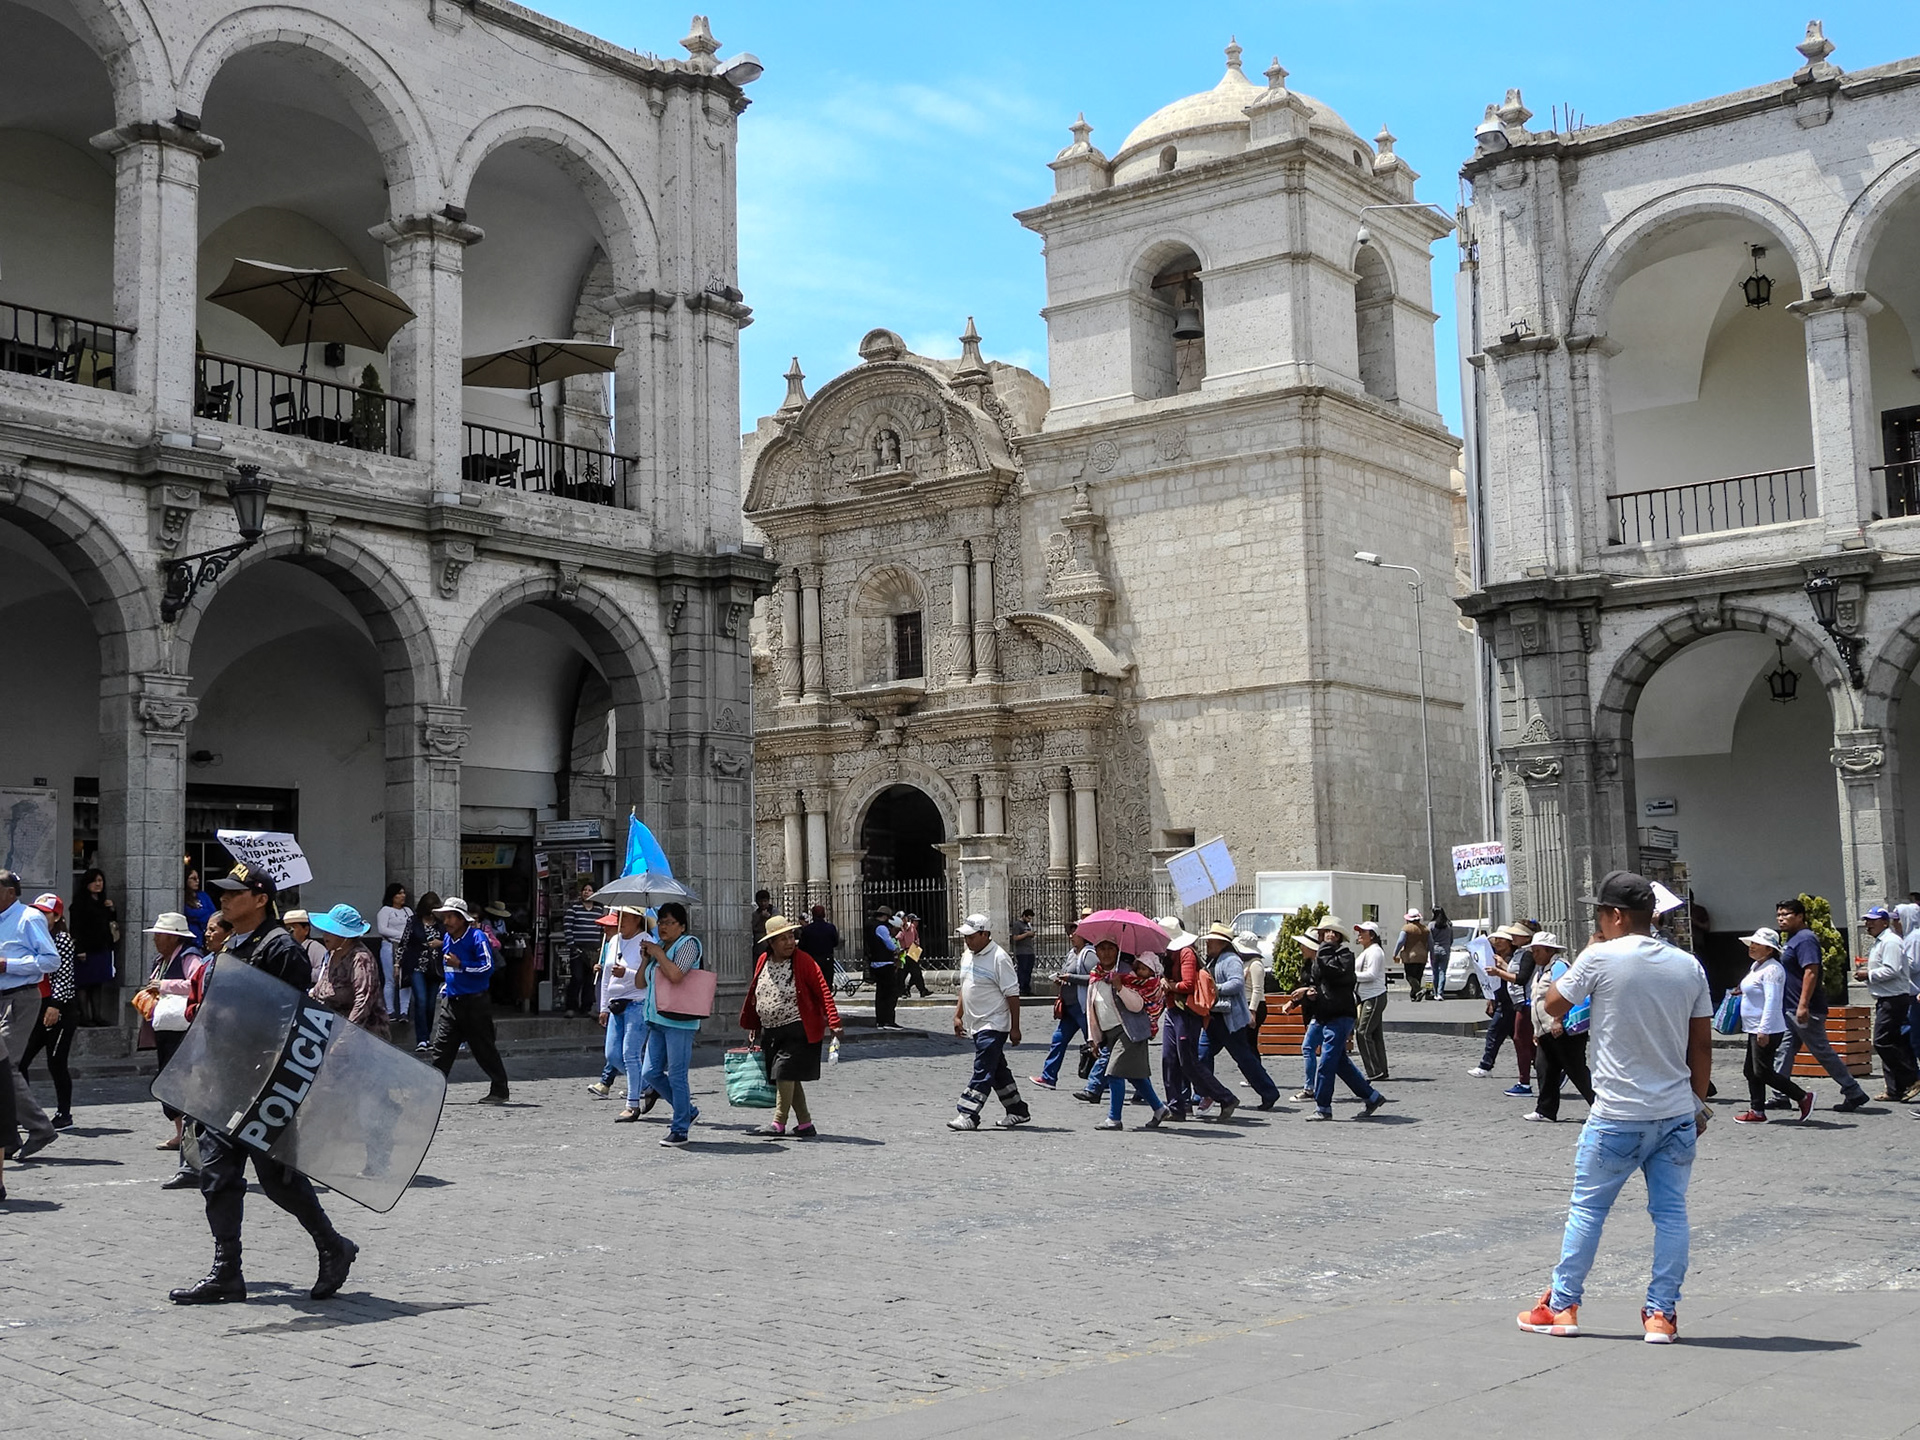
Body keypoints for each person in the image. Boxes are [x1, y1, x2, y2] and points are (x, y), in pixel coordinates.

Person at [1518, 871, 1712, 1344]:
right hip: (1673, 1111)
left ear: (1617, 916)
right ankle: (1661, 1315)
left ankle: (1562, 1306)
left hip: (1618, 1114)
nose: (1598, 921)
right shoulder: (1689, 965)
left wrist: (1588, 951)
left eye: (1600, 913)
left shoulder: (1599, 957)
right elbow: (1702, 1044)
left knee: (1587, 1210)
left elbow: (1553, 1004)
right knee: (1671, 1215)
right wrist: (1699, 1104)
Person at [170, 861, 357, 1305]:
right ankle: (227, 1273)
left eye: (234, 894)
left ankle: (333, 1245)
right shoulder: (235, 946)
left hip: (264, 1084)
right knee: (217, 1175)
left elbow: (295, 1023)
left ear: (259, 899)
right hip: (226, 1079)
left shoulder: (279, 949)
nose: (224, 900)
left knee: (278, 1180)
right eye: (223, 894)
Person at [740, 915, 843, 1137]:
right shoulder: (763, 961)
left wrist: (834, 1022)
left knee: (784, 1072)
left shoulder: (804, 961)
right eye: (782, 938)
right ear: (771, 943)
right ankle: (805, 1123)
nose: (789, 942)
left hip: (798, 1028)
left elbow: (823, 990)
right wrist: (755, 1025)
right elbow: (757, 991)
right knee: (789, 1076)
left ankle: (778, 1122)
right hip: (771, 1030)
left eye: (791, 937)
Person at [1773, 898, 1869, 1111]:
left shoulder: (1805, 939)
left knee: (1821, 1051)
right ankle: (1780, 1094)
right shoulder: (1792, 938)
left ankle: (1853, 1091)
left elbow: (1811, 971)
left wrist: (1803, 1004)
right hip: (1790, 1006)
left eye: (1786, 914)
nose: (1781, 919)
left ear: (1800, 916)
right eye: (1779, 915)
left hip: (1805, 1007)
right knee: (1785, 1049)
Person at [1290, 918, 1387, 1121]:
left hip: (1341, 1014)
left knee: (1327, 1062)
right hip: (1325, 1013)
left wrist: (1325, 948)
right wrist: (1309, 992)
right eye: (1325, 932)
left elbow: (1333, 973)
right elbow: (1320, 982)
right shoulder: (1321, 957)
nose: (1329, 935)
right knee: (1339, 1061)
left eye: (1333, 933)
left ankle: (1323, 1107)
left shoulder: (1344, 955)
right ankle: (1372, 1096)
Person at [140, 912, 206, 1183]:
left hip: (181, 1027)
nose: (155, 940)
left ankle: (189, 1142)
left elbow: (195, 982)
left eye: (159, 934)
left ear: (173, 937)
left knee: (178, 1081)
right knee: (166, 1079)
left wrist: (164, 985)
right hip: (165, 1027)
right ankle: (181, 1134)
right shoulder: (163, 959)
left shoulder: (189, 956)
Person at [947, 913, 1031, 1130]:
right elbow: (965, 987)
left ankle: (968, 1113)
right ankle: (1017, 1110)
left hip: (994, 1023)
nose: (967, 940)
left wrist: (1015, 1028)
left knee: (983, 1068)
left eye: (972, 936)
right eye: (965, 936)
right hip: (976, 1023)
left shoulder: (999, 958)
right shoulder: (968, 955)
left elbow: (1012, 994)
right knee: (997, 1069)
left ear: (985, 934)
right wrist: (958, 1015)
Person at [0, 869, 61, 1161]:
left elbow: (50, 960)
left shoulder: (29, 918)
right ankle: (8, 1137)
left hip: (20, 997)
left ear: (10, 892)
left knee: (4, 1066)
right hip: (2, 997)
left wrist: (8, 965)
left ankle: (39, 1127)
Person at [425, 898, 511, 1105]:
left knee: (483, 1048)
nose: (447, 921)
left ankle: (500, 1089)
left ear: (462, 919)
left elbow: (486, 967)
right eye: (445, 917)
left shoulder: (477, 937)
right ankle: (432, 1091)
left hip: (475, 1004)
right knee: (441, 1049)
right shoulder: (447, 938)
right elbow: (448, 969)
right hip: (452, 1002)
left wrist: (461, 964)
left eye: (451, 916)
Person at [1157, 916, 1241, 1122]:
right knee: (1169, 1059)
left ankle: (1225, 1097)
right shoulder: (1169, 954)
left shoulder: (1186, 953)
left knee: (1188, 1062)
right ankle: (1176, 1106)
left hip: (1186, 1012)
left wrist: (1169, 985)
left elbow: (1188, 985)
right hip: (1173, 1010)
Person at [638, 902, 704, 1146]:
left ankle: (680, 1128)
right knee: (650, 1072)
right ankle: (687, 1110)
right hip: (656, 1019)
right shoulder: (660, 948)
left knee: (677, 1074)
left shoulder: (689, 944)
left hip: (680, 1020)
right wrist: (646, 959)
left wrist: (657, 953)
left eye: (669, 922)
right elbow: (639, 984)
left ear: (682, 926)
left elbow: (676, 975)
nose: (663, 927)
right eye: (661, 922)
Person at [1730, 927, 1812, 1124]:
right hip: (1754, 1027)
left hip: (1766, 1028)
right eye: (1752, 943)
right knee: (1751, 1071)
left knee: (1762, 1071)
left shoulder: (1773, 969)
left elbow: (1772, 1001)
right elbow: (1756, 990)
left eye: (1758, 944)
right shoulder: (1757, 966)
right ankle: (1757, 1110)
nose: (1752, 947)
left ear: (1769, 949)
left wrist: (1764, 1029)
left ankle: (1802, 1096)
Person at [1085, 942, 1170, 1130]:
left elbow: (1137, 1005)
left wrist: (1120, 986)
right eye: (1101, 949)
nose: (1106, 953)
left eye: (1110, 949)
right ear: (1096, 951)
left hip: (1128, 1030)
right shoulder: (1095, 974)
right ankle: (1159, 1108)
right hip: (1109, 1032)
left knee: (1114, 1072)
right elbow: (1091, 1008)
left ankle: (1114, 1118)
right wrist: (1094, 1038)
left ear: (1117, 951)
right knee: (1135, 1076)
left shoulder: (1128, 974)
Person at [1197, 922, 1282, 1108]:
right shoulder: (1212, 961)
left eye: (1212, 942)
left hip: (1229, 1019)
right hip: (1213, 1017)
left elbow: (1236, 984)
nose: (1208, 945)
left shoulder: (1231, 960)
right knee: (1201, 1055)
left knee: (1244, 1058)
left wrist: (1213, 989)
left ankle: (1269, 1092)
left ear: (1222, 944)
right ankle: (1204, 1092)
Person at [17, 893, 77, 1130]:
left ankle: (64, 1113)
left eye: (45, 913)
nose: (40, 916)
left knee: (56, 1062)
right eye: (37, 911)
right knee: (20, 1061)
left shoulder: (61, 939)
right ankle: (24, 1111)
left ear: (57, 916)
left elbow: (64, 977)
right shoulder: (33, 935)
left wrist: (55, 1005)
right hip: (35, 1005)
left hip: (58, 1007)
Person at [1523, 934, 1595, 1123]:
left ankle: (1600, 1107)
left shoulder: (1559, 966)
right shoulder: (1541, 970)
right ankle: (1545, 1110)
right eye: (1533, 951)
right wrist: (1537, 1031)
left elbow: (1565, 993)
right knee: (1544, 1068)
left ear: (1549, 950)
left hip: (1562, 1030)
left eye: (1538, 951)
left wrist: (1557, 1019)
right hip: (1546, 1031)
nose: (1534, 954)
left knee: (1576, 1070)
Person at [1858, 905, 1920, 1102]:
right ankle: (1895, 1089)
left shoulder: (1891, 941)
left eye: (1873, 921)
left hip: (1894, 999)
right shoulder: (1880, 941)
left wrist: (1868, 974)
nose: (1868, 924)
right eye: (1867, 920)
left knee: (1882, 1041)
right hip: (1886, 998)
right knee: (1895, 1042)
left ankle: (1912, 1079)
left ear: (1884, 922)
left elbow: (1891, 970)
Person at [597, 907, 652, 1123]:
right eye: (618, 917)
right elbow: (606, 976)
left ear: (637, 919)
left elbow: (649, 975)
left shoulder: (646, 941)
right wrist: (603, 1006)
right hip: (616, 1004)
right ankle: (648, 1086)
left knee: (630, 1054)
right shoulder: (613, 942)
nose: (620, 921)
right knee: (612, 1054)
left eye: (625, 917)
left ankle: (632, 1104)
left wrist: (626, 973)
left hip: (637, 1002)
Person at [308, 904, 388, 1036]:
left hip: (363, 1038)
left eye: (330, 932)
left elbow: (363, 1002)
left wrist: (344, 1040)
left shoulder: (361, 958)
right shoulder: (333, 954)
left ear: (344, 936)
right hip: (330, 1030)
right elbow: (321, 988)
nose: (325, 935)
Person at [1036, 915, 1096, 1090]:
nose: (1071, 935)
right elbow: (1067, 973)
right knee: (1058, 1040)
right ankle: (1049, 1077)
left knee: (1094, 1045)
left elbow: (1096, 978)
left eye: (1075, 932)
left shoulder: (1088, 954)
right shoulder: (1072, 954)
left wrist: (1072, 978)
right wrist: (1062, 979)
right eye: (1070, 932)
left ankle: (1108, 1080)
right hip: (1070, 1007)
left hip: (1083, 1007)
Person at [1468, 924, 1528, 1080]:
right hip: (1501, 1000)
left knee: (1494, 1033)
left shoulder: (1514, 958)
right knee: (1517, 1038)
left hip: (1512, 1001)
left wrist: (1501, 967)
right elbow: (1489, 980)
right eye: (1496, 939)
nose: (1498, 942)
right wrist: (1490, 998)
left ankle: (1485, 1065)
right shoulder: (1492, 956)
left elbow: (1518, 977)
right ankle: (1538, 1063)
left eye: (1503, 939)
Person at [68, 866, 117, 1026]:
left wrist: (111, 909)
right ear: (87, 883)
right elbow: (76, 928)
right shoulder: (80, 903)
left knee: (98, 983)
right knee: (84, 983)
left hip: (102, 947)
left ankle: (97, 1015)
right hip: (86, 949)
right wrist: (80, 949)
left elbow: (109, 922)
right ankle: (85, 1016)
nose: (98, 884)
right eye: (94, 881)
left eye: (100, 880)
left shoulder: (102, 902)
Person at [1352, 919, 1391, 1082]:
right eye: (1359, 932)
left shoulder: (1375, 952)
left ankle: (1374, 1071)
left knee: (1363, 1032)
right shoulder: (1368, 951)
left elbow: (1372, 974)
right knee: (1375, 1035)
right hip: (1368, 996)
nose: (1359, 934)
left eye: (1363, 932)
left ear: (1372, 935)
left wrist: (1351, 976)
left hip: (1373, 996)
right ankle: (1381, 1070)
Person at [561, 879, 605, 1018]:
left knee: (590, 979)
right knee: (577, 978)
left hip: (593, 950)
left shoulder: (599, 910)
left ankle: (586, 1007)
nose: (587, 892)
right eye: (585, 890)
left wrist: (600, 947)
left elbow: (601, 930)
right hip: (578, 949)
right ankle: (571, 1006)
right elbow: (568, 928)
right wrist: (572, 945)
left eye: (590, 890)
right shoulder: (573, 909)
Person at [402, 894, 440, 1050]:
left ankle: (427, 1037)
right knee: (421, 1000)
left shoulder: (442, 923)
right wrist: (398, 964)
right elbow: (404, 942)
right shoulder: (413, 921)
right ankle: (421, 1039)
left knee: (431, 1004)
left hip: (435, 967)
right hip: (417, 965)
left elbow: (452, 941)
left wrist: (440, 943)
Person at [1288, 932, 1323, 1102]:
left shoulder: (1322, 964)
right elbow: (1306, 987)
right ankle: (1366, 1090)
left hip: (1321, 1013)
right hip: (1310, 1013)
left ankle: (1309, 1089)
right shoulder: (1308, 964)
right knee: (1337, 1056)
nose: (1301, 948)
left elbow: (1318, 988)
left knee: (1308, 1048)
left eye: (1304, 945)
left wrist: (1306, 991)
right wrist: (1293, 1003)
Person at [374, 883, 411, 1021]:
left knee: (405, 979)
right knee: (390, 979)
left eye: (403, 893)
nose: (403, 896)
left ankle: (404, 1011)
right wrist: (401, 935)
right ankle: (390, 1010)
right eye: (399, 893)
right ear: (392, 896)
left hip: (406, 948)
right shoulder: (385, 911)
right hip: (390, 946)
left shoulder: (408, 911)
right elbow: (382, 929)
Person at [865, 905, 901, 1029]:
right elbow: (888, 943)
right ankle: (888, 1020)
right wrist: (897, 949)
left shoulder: (869, 925)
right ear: (885, 917)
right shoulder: (881, 927)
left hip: (875, 962)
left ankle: (880, 1020)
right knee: (890, 993)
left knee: (880, 994)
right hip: (885, 963)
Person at [797, 904, 842, 993]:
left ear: (813, 916)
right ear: (824, 915)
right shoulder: (830, 928)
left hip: (812, 960)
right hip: (827, 958)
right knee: (827, 984)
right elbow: (835, 942)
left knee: (813, 984)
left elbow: (802, 946)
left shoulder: (807, 930)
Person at [1394, 910, 1430, 1002]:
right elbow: (1431, 943)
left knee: (1409, 976)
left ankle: (1419, 990)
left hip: (1410, 956)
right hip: (1423, 956)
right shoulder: (1425, 929)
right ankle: (1414, 995)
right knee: (1418, 976)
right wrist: (1431, 954)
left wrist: (1395, 953)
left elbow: (1400, 942)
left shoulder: (1406, 929)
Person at [284, 910, 329, 979]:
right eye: (287, 929)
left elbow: (323, 972)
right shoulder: (285, 949)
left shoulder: (315, 948)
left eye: (293, 927)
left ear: (306, 930)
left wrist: (300, 973)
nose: (289, 932)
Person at [897, 912, 930, 998]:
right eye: (902, 919)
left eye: (904, 918)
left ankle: (921, 990)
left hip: (912, 952)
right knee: (902, 973)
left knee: (916, 972)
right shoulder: (898, 928)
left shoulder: (911, 927)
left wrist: (916, 943)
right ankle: (904, 991)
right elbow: (897, 938)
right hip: (903, 953)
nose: (903, 920)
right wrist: (901, 930)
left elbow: (916, 936)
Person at [183, 865, 216, 947]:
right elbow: (189, 913)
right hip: (191, 940)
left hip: (206, 939)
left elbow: (213, 914)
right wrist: (204, 912)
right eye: (193, 878)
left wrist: (199, 914)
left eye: (198, 878)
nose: (197, 881)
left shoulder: (203, 895)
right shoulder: (182, 897)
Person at [1010, 909, 1039, 996]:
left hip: (1030, 951)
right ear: (1023, 916)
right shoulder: (1017, 925)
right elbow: (1015, 938)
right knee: (1022, 970)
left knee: (1028, 971)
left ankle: (1027, 988)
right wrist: (1026, 934)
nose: (1029, 920)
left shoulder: (1028, 925)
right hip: (1022, 952)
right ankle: (1021, 988)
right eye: (1028, 918)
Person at [1428, 907, 1455, 1000]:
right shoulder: (1448, 925)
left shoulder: (1431, 925)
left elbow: (1429, 939)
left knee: (1435, 972)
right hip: (1445, 950)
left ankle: (1435, 993)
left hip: (1434, 950)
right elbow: (1451, 939)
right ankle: (1440, 993)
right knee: (1442, 972)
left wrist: (1430, 949)